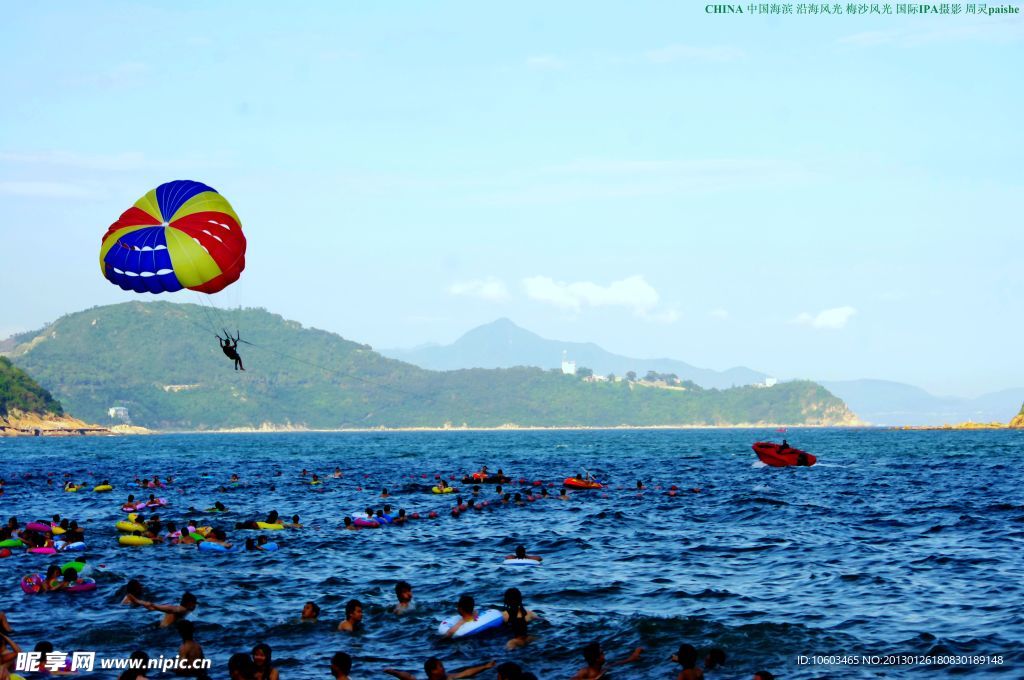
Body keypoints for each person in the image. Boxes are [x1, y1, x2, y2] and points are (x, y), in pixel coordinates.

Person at [571, 641, 643, 679]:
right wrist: (596, 678)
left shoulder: (604, 668)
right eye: (602, 653)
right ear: (597, 659)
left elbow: (621, 662)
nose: (604, 655)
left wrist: (634, 655)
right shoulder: (586, 671)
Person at [384, 658, 496, 680]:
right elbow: (408, 677)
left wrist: (485, 667)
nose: (444, 669)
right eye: (441, 667)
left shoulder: (449, 677)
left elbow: (466, 673)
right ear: (433, 671)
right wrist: (394, 672)